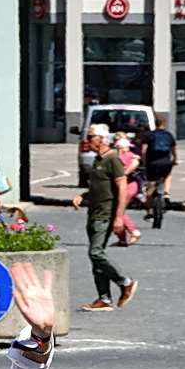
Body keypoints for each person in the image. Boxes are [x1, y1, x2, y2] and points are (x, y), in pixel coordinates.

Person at [72, 123, 138, 311]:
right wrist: (84, 195)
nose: (87, 140)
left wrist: (119, 217)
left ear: (101, 138)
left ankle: (125, 282)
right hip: (93, 212)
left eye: (90, 136)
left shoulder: (112, 159)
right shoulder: (98, 159)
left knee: (95, 252)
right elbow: (101, 187)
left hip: (105, 213)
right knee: (96, 257)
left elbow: (122, 188)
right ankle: (104, 298)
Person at [140, 114, 177, 215]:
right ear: (164, 123)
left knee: (151, 185)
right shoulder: (169, 135)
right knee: (167, 175)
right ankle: (166, 191)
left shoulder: (149, 135)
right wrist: (174, 160)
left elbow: (143, 150)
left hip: (152, 164)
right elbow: (173, 150)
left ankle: (149, 211)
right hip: (165, 163)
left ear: (155, 123)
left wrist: (144, 162)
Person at [113, 131, 143, 246]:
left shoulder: (123, 156)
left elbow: (135, 162)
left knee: (119, 210)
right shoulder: (128, 154)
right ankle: (122, 239)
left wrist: (125, 173)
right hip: (130, 184)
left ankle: (133, 231)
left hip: (128, 185)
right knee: (118, 210)